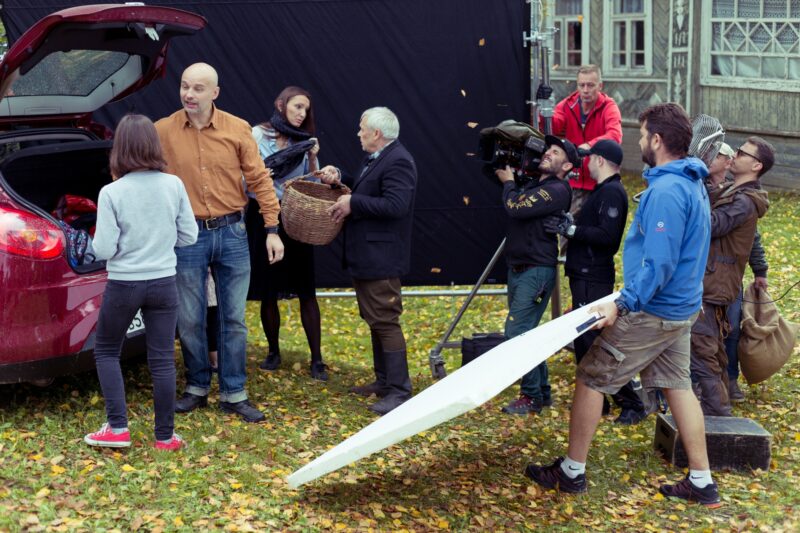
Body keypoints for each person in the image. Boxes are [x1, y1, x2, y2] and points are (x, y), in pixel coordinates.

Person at [525, 103, 722, 508]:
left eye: (642, 134)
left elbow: (661, 262)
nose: (637, 142)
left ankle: (571, 472)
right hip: (679, 309)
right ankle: (702, 482)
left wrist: (624, 303)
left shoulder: (668, 191)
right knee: (678, 385)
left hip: (654, 309)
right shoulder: (691, 183)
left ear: (658, 140)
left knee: (591, 376)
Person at [155, 63, 284, 423]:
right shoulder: (162, 131)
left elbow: (259, 179)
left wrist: (272, 229)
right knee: (190, 318)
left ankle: (234, 392)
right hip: (187, 235)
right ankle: (197, 386)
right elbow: (136, 169)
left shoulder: (237, 128)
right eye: (184, 87)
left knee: (233, 318)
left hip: (233, 232)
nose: (189, 95)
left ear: (215, 93)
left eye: (198, 88)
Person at [84, 114, 197, 451]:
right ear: (152, 144)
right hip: (164, 282)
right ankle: (165, 437)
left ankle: (118, 428)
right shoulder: (173, 184)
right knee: (161, 358)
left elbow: (103, 248)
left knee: (106, 350)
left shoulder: (111, 192)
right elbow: (189, 235)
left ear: (120, 148)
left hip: (124, 284)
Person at [317, 107, 417, 416]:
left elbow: (396, 205)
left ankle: (400, 390)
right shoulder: (379, 157)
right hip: (368, 256)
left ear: (376, 133)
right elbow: (366, 190)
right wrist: (340, 181)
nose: (358, 133)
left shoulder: (399, 160)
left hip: (382, 258)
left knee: (385, 320)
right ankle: (384, 381)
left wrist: (353, 203)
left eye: (362, 129)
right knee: (375, 319)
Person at [543, 139, 647, 425]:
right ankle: (596, 400)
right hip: (584, 274)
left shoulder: (612, 193)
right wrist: (572, 222)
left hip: (593, 276)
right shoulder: (603, 192)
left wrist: (572, 229)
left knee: (594, 341)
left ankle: (631, 402)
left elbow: (608, 238)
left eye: (589, 158)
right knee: (585, 340)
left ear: (600, 160)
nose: (585, 163)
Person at [249, 86, 328, 381]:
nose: (301, 113)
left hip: (296, 216)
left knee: (306, 289)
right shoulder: (257, 135)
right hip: (263, 216)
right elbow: (244, 176)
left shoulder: (306, 141)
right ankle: (273, 352)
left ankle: (317, 359)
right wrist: (259, 179)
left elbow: (313, 181)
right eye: (297, 107)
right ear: (280, 104)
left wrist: (312, 158)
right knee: (268, 290)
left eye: (305, 109)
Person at [495, 135, 578, 415]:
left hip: (536, 270)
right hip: (519, 267)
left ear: (566, 166)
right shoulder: (534, 184)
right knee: (527, 332)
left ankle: (529, 397)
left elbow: (515, 207)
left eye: (555, 152)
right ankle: (542, 392)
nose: (547, 154)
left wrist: (507, 182)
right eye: (548, 150)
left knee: (516, 333)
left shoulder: (557, 189)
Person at [691, 137, 772, 416]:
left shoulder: (745, 202)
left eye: (742, 153)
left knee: (703, 351)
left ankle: (716, 415)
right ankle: (715, 409)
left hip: (714, 283)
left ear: (756, 165)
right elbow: (705, 195)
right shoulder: (730, 190)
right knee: (711, 350)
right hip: (711, 280)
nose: (734, 155)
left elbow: (711, 224)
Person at [541, 64, 622, 215]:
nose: (585, 90)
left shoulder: (608, 107)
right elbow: (551, 127)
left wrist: (590, 145)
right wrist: (542, 107)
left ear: (600, 86)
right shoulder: (567, 105)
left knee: (597, 234)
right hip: (573, 181)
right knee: (567, 232)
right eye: (581, 85)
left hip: (601, 182)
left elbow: (615, 135)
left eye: (590, 85)